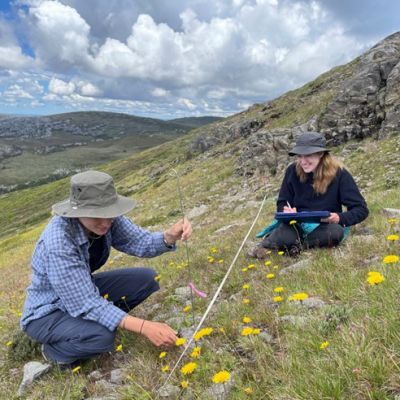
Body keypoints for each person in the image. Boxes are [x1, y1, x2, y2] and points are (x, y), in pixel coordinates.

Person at [20, 170, 192, 367]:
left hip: (80, 292)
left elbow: (139, 241)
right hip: (47, 312)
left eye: (109, 214)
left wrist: (169, 236)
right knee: (103, 337)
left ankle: (95, 323)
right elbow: (86, 302)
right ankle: (54, 351)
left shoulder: (110, 220)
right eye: (97, 216)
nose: (105, 222)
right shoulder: (58, 243)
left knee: (147, 279)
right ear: (78, 212)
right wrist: (144, 327)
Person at [251, 132, 369, 257]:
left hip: (325, 226)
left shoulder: (340, 174)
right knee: (286, 232)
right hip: (296, 225)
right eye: (299, 156)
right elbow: (282, 202)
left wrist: (339, 218)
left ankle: (291, 246)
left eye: (308, 155)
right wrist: (285, 211)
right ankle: (274, 244)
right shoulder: (292, 171)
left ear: (321, 154)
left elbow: (361, 209)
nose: (303, 161)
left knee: (334, 233)